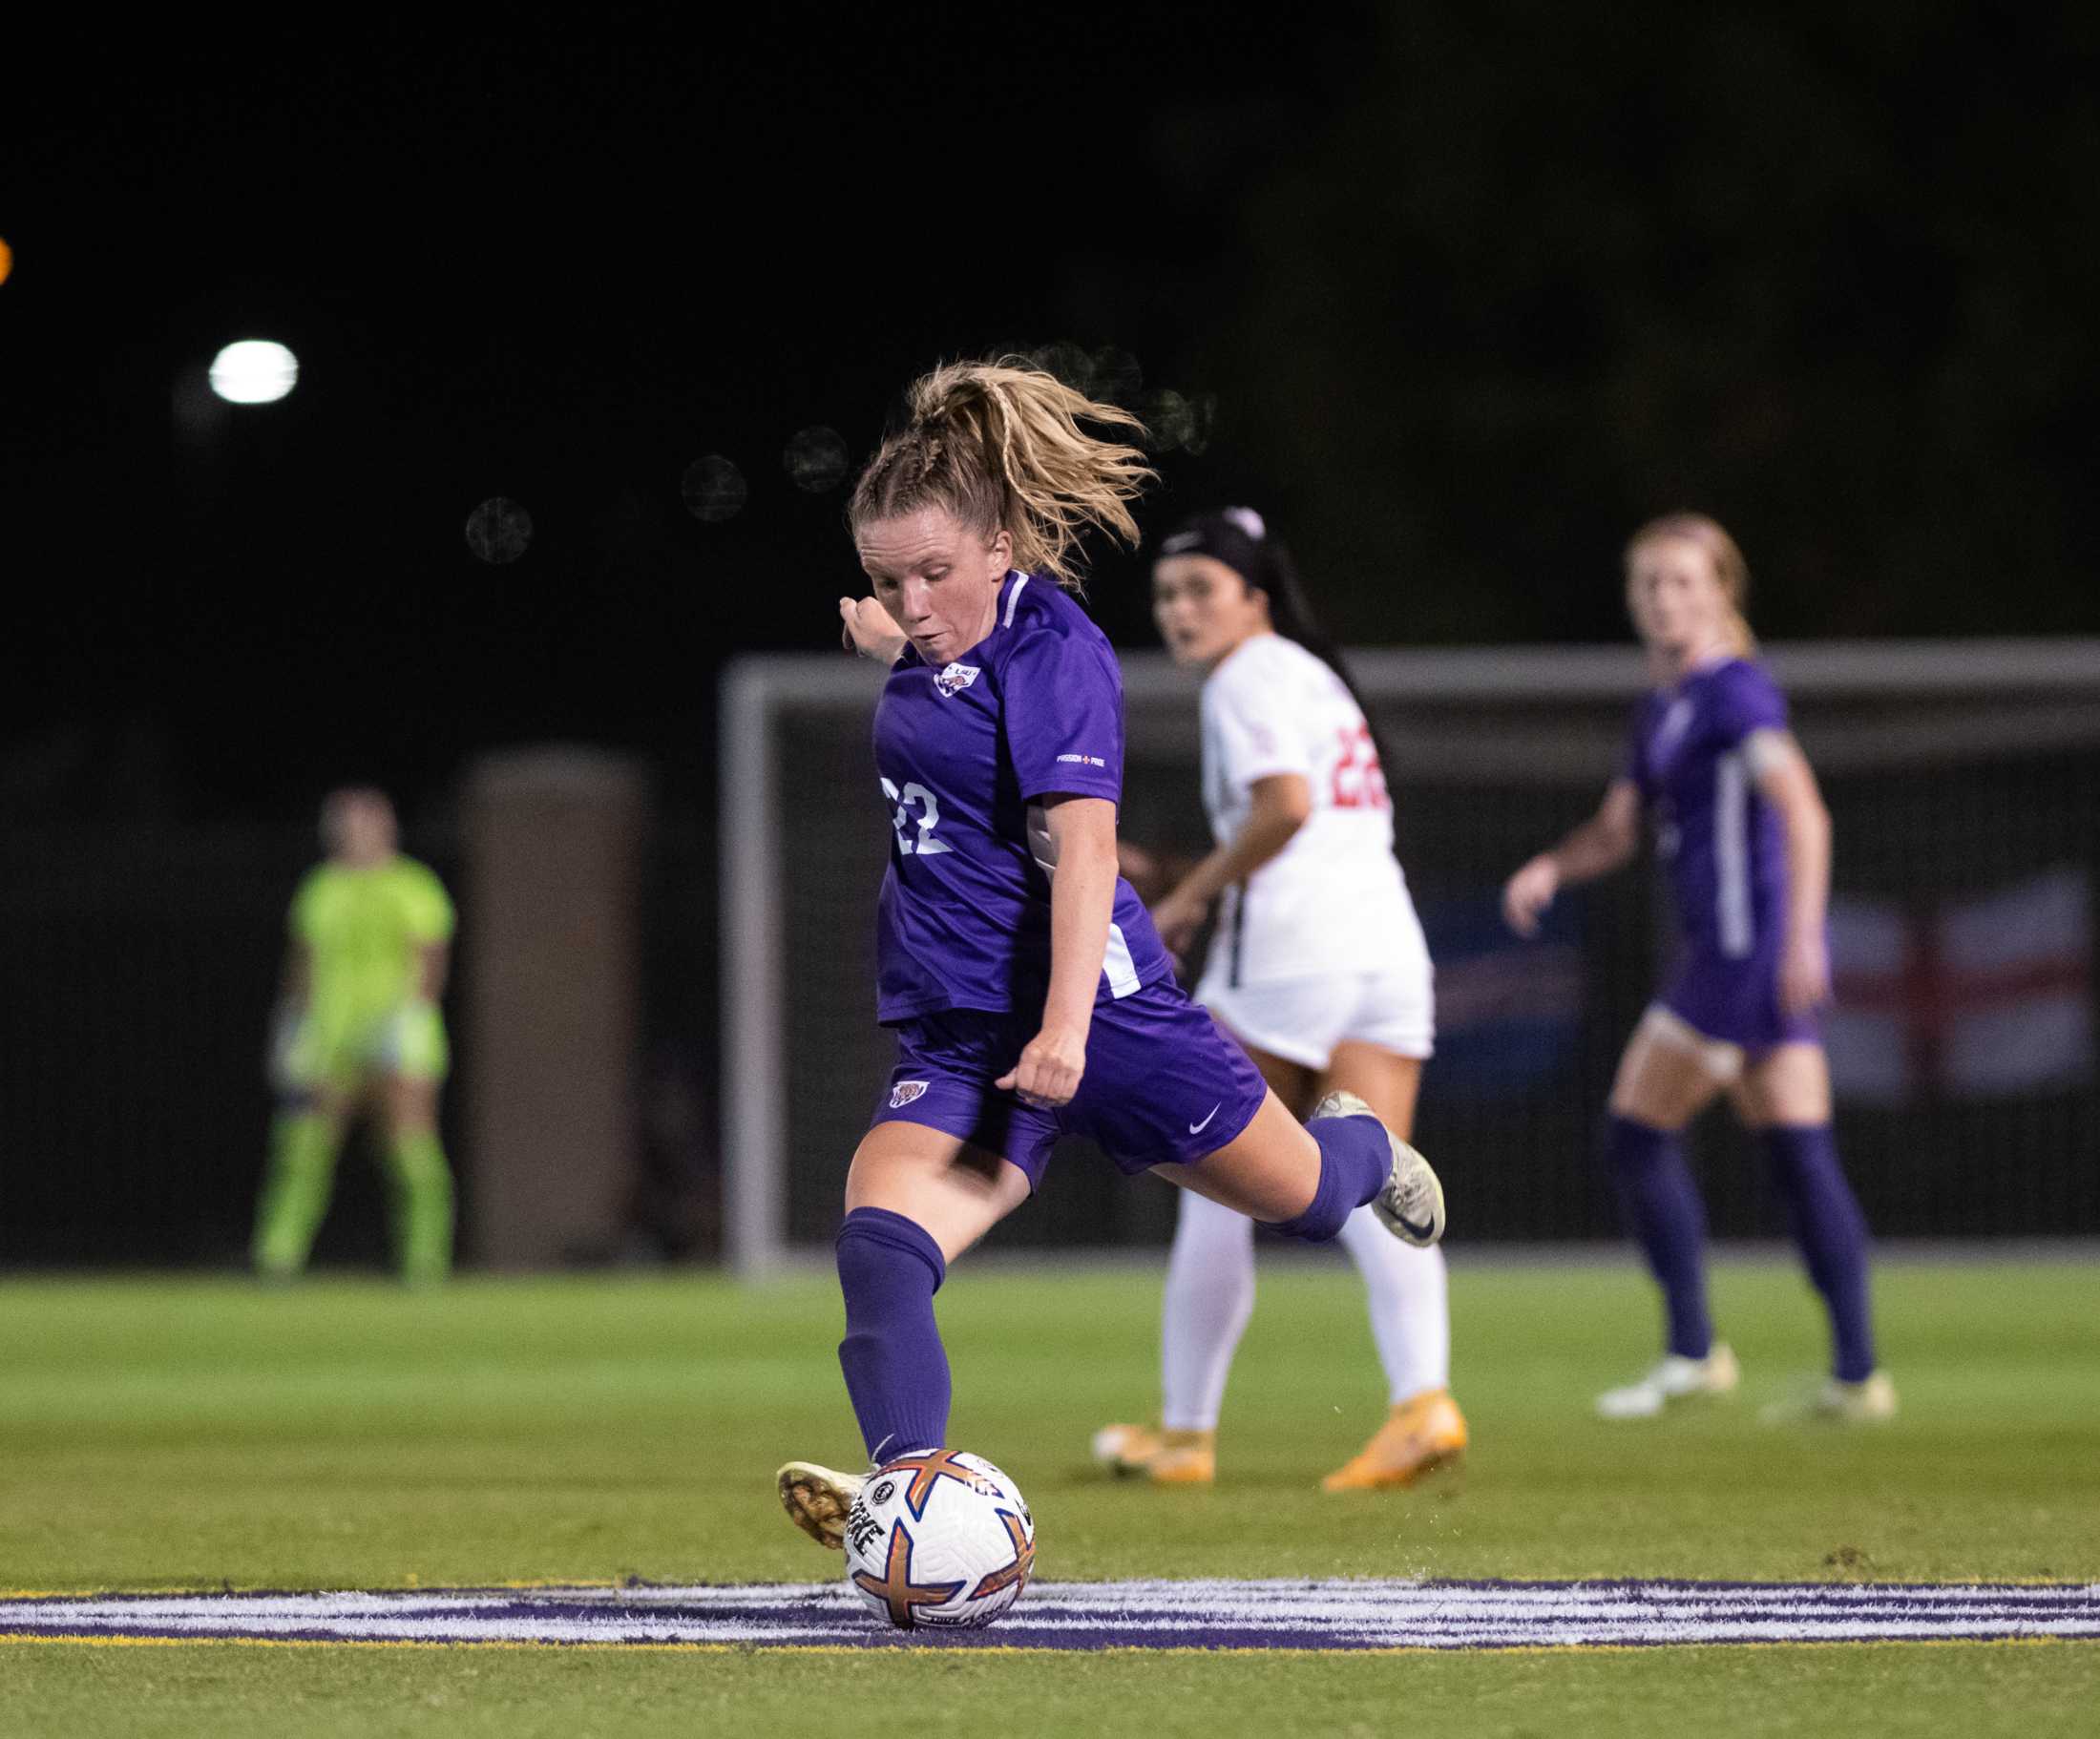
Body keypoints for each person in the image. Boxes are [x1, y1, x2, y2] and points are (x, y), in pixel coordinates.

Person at [776, 361, 1448, 1551]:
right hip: (964, 1033)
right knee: (880, 1248)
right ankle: (912, 1501)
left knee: (1306, 1202)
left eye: (936, 572)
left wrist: (1067, 1030)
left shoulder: (1058, 650)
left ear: (1001, 544)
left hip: (1108, 1022)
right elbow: (949, 692)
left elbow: (1084, 853)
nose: (915, 599)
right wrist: (898, 641)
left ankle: (1360, 1142)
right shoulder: (930, 642)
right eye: (888, 578)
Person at [1090, 508, 1466, 1490]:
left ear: (1254, 598)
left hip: (1292, 953)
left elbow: (1286, 806)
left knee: (1213, 1181)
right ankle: (1422, 1401)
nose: (1179, 611)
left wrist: (1186, 893)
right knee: (1377, 1173)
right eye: (1167, 595)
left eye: (1200, 590)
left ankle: (1185, 1433)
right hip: (1385, 944)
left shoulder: (1247, 675)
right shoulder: (1313, 675)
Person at [1501, 513, 1894, 1423]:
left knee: (1634, 1137)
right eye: (1648, 584)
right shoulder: (1663, 706)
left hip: (1740, 955)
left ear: (1723, 591)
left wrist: (1800, 939)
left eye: (1683, 581)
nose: (1663, 599)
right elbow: (1616, 830)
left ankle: (1692, 1352)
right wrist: (1554, 866)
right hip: (1736, 956)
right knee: (1799, 1156)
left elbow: (1805, 812)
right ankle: (1857, 1375)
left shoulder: (1734, 694)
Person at [252, 786, 456, 1286]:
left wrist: (408, 1019)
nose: (350, 835)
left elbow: (431, 961)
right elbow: (302, 963)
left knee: (408, 1148)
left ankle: (424, 1260)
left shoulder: (414, 886)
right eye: (341, 826)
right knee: (304, 1148)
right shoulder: (321, 887)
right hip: (329, 1039)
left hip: (396, 1037)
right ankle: (277, 1257)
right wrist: (292, 1025)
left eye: (361, 825)